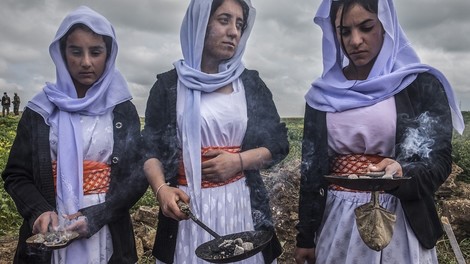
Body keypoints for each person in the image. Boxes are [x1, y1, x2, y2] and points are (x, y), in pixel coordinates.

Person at [294, 0, 464, 263]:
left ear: (386, 25)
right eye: (345, 31)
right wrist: (305, 236)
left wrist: (402, 173)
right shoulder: (322, 95)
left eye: (366, 27)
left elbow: (439, 160)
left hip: (400, 221)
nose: (356, 40)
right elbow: (312, 169)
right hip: (337, 219)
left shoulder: (418, 84)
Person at [141, 0, 289, 263]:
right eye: (224, 20)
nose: (234, 31)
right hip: (189, 211)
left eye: (239, 24)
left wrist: (238, 161)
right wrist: (162, 190)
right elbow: (149, 149)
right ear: (200, 23)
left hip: (242, 204)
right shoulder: (168, 86)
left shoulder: (250, 84)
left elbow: (278, 144)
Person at [2, 6, 147, 263]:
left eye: (96, 52)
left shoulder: (122, 111)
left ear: (109, 54)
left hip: (107, 230)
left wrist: (98, 215)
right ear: (62, 53)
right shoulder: (40, 111)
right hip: (52, 233)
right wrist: (39, 211)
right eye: (76, 51)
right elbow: (16, 175)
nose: (86, 62)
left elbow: (135, 178)